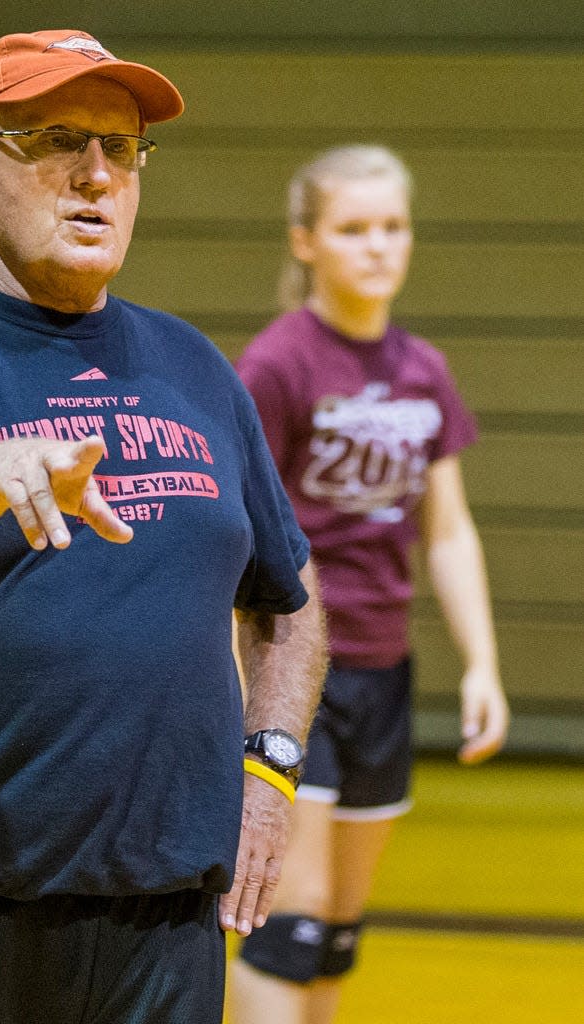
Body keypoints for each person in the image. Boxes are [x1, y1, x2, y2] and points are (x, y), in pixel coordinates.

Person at [0, 29, 328, 1024]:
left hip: (163, 926)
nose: (94, 175)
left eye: (119, 149)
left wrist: (270, 769)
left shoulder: (194, 366)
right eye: (52, 139)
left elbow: (286, 601)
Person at [228, 145, 510, 1024]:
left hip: (385, 674)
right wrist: (241, 683)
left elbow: (449, 529)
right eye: (354, 229)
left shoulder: (423, 368)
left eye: (393, 226)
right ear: (306, 241)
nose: (379, 246)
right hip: (299, 670)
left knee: (339, 934)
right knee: (287, 926)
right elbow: (238, 538)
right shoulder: (277, 366)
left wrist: (482, 665)